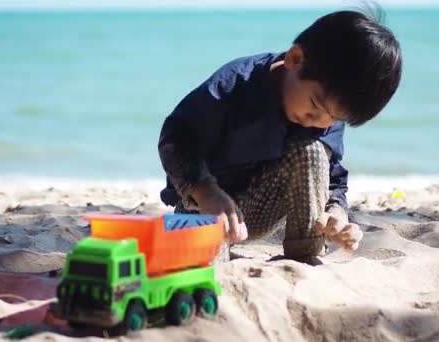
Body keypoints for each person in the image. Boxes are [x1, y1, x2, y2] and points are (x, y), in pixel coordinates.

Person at [157, 9, 402, 265]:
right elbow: (176, 137)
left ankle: (306, 252)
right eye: (315, 105)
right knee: (205, 261)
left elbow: (333, 175)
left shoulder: (324, 117)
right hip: (204, 205)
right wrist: (205, 191)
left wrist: (336, 212)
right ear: (295, 59)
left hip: (263, 208)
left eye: (335, 118)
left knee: (314, 151)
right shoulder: (235, 85)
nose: (320, 122)